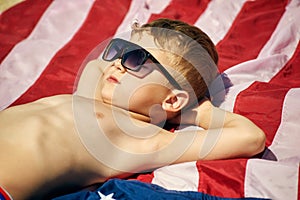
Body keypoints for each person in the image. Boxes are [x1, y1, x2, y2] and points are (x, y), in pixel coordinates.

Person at [0, 18, 266, 200]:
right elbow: (95, 65)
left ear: (173, 100)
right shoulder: (91, 94)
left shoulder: (138, 137)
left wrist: (195, 110)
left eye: (137, 59)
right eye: (120, 51)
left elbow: (249, 138)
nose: (117, 63)